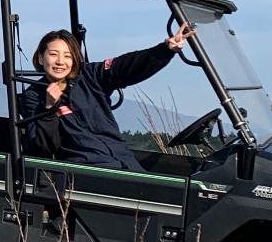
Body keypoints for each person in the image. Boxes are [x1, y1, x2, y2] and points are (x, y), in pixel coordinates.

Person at [20, 23, 192, 174]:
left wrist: (165, 50)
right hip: (88, 171)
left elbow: (124, 66)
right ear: (41, 58)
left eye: (67, 56)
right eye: (53, 55)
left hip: (125, 163)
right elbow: (42, 148)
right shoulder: (34, 96)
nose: (60, 62)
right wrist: (49, 108)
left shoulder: (89, 76)